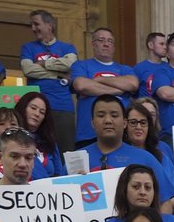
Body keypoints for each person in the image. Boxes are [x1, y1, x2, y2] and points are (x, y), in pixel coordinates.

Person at [81, 95, 174, 212]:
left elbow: (164, 202)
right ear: (92, 122)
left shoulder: (146, 159)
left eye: (114, 115)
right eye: (101, 115)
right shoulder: (77, 159)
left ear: (124, 123)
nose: (108, 120)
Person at [69, 27, 138, 149]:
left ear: (114, 47)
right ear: (93, 44)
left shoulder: (124, 69)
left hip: (122, 136)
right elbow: (81, 85)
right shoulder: (81, 65)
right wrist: (117, 90)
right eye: (101, 40)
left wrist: (99, 80)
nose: (106, 44)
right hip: (88, 135)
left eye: (110, 41)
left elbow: (133, 84)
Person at [20, 10, 78, 152]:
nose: (33, 28)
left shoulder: (67, 47)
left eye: (36, 24)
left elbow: (71, 64)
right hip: (35, 108)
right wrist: (59, 75)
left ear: (49, 25)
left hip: (62, 107)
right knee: (33, 149)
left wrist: (45, 64)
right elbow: (28, 69)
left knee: (66, 152)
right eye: (31, 25)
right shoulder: (28, 47)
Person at [13, 92, 67, 178]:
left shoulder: (50, 143)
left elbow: (60, 175)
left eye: (42, 112)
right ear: (22, 108)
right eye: (33, 108)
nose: (37, 114)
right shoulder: (10, 139)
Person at [134, 31, 167, 98]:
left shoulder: (169, 67)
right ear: (151, 45)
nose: (165, 47)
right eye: (161, 44)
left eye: (166, 44)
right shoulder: (138, 68)